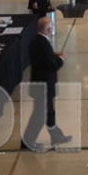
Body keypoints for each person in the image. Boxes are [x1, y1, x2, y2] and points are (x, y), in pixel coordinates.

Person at [22, 17, 72, 150]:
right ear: (49, 30)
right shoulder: (43, 44)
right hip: (43, 86)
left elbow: (44, 58)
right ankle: (27, 142)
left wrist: (54, 55)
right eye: (52, 27)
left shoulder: (36, 41)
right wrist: (61, 59)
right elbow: (52, 65)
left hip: (40, 85)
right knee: (40, 116)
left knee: (49, 113)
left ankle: (57, 137)